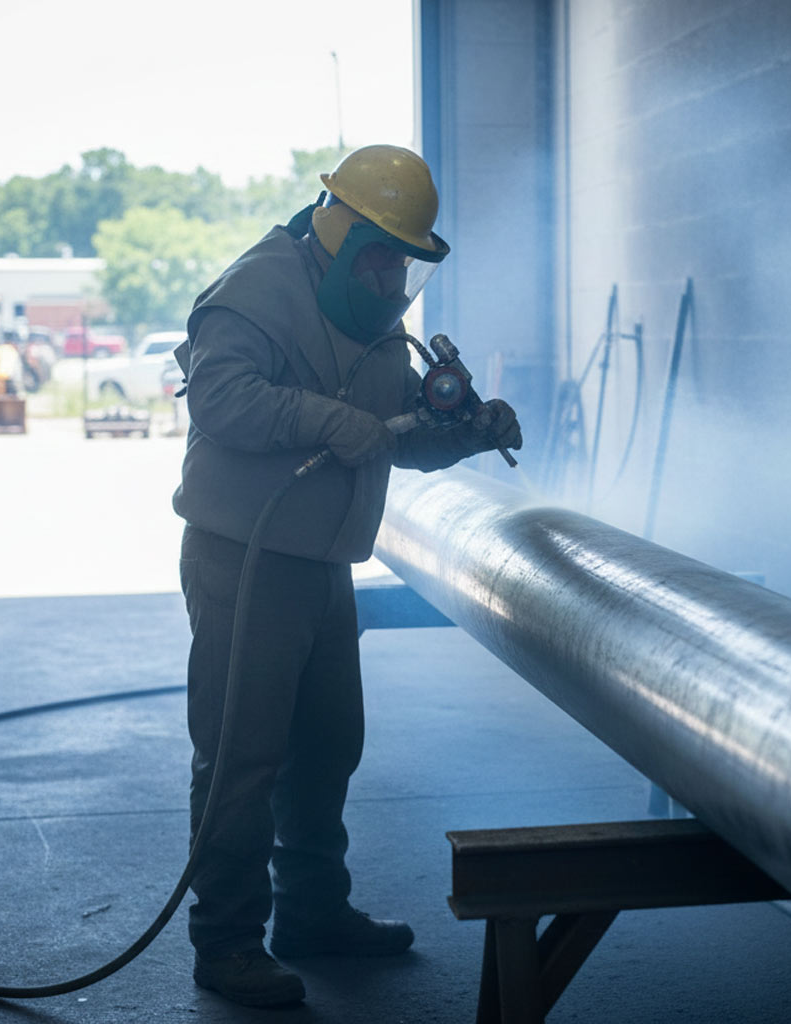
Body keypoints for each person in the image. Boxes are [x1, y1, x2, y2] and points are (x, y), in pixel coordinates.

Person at [170, 144, 522, 1008]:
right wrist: (324, 418)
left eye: (404, 255)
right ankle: (226, 944)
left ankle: (312, 915)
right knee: (242, 757)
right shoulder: (254, 293)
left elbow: (391, 431)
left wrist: (466, 432)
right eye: (382, 249)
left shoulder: (369, 313)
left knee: (327, 746)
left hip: (322, 559)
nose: (392, 270)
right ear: (339, 225)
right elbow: (219, 401)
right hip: (246, 556)